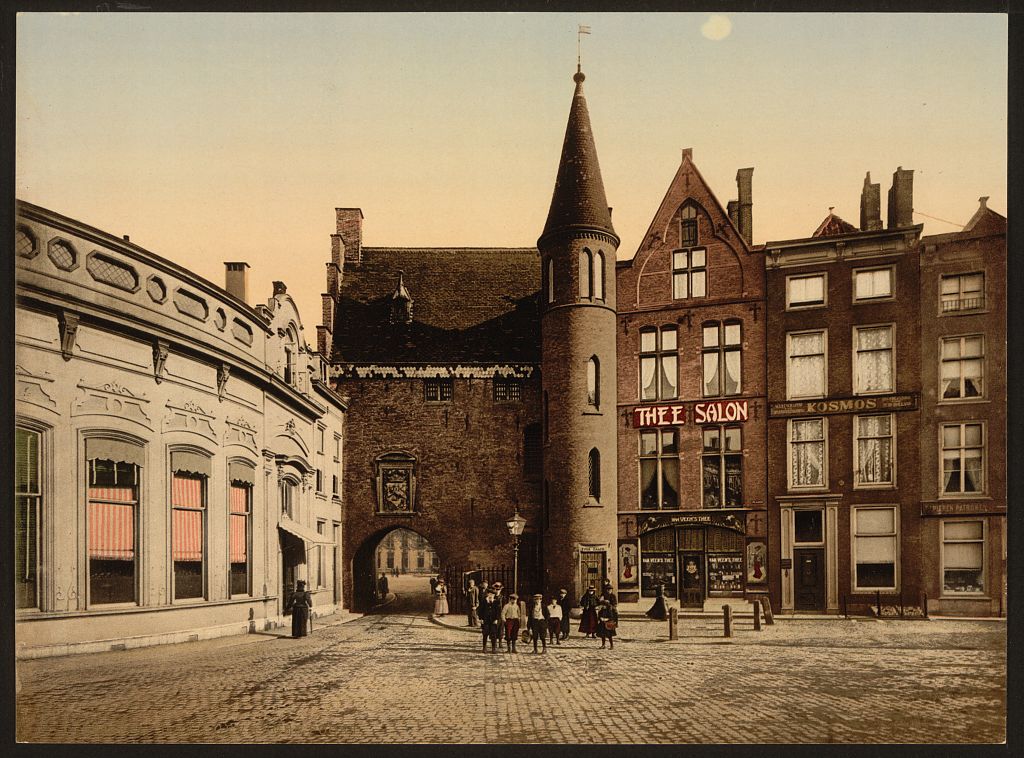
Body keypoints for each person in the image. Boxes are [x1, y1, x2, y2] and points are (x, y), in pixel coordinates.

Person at [478, 588, 501, 653]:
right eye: (489, 594)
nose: (491, 595)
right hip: (486, 620)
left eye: (492, 594)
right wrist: (481, 618)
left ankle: (493, 648)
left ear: (494, 595)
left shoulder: (496, 602)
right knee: (485, 634)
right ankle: (484, 647)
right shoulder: (484, 601)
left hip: (493, 620)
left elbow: (498, 611)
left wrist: (496, 619)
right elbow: (480, 611)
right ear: (487, 594)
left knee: (493, 634)